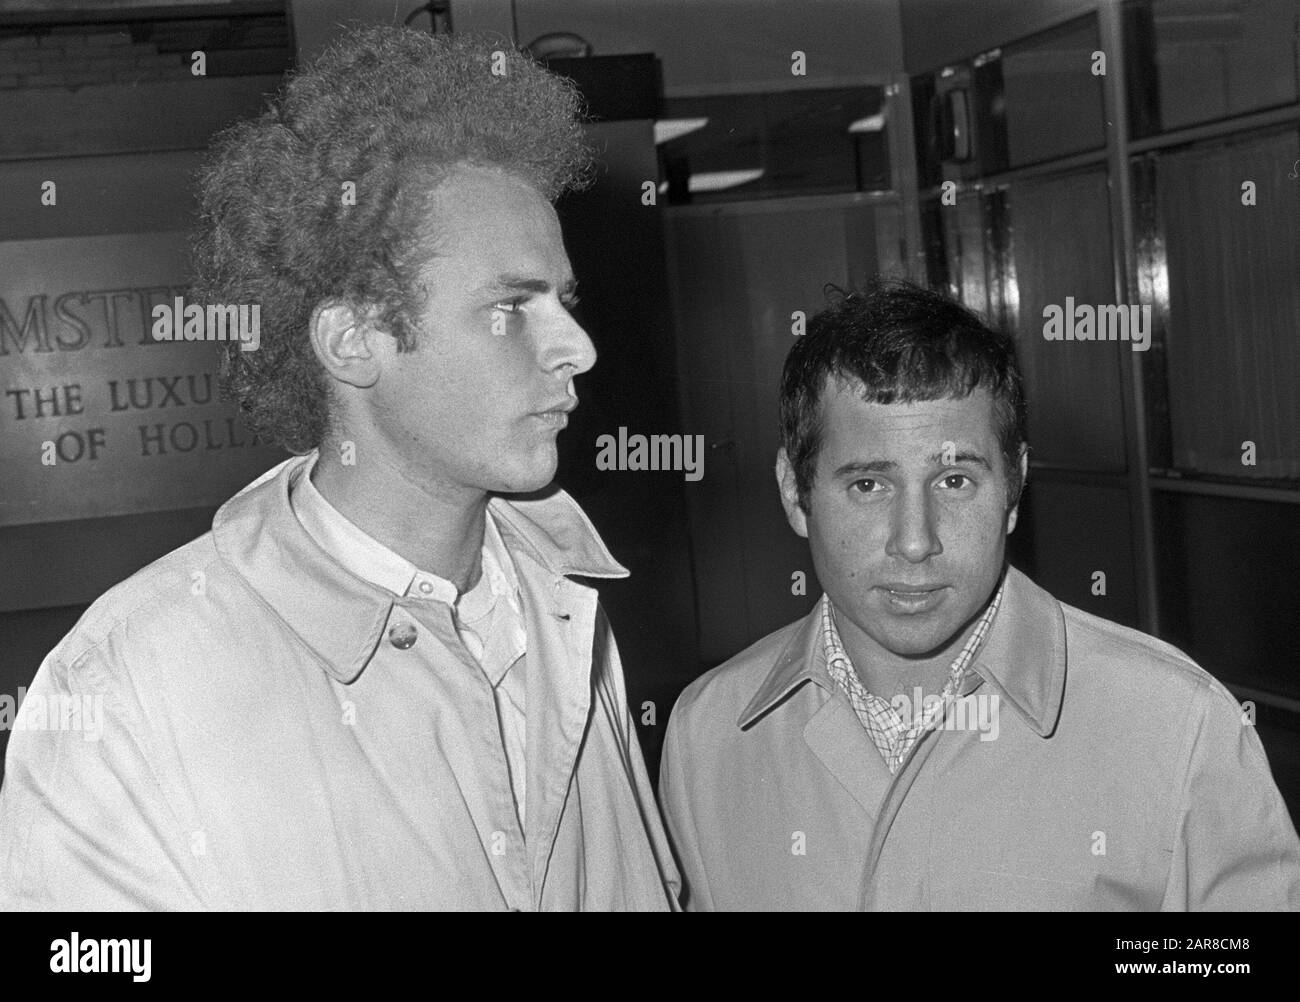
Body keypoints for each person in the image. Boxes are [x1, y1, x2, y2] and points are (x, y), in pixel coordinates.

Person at [0, 26, 678, 911]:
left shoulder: (566, 603)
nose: (579, 349)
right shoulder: (128, 686)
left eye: (567, 301)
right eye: (513, 306)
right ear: (354, 340)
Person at [658, 279, 1300, 910]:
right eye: (867, 486)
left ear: (1013, 485)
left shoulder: (1178, 723)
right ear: (795, 492)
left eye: (955, 480)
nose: (915, 542)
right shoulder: (706, 736)